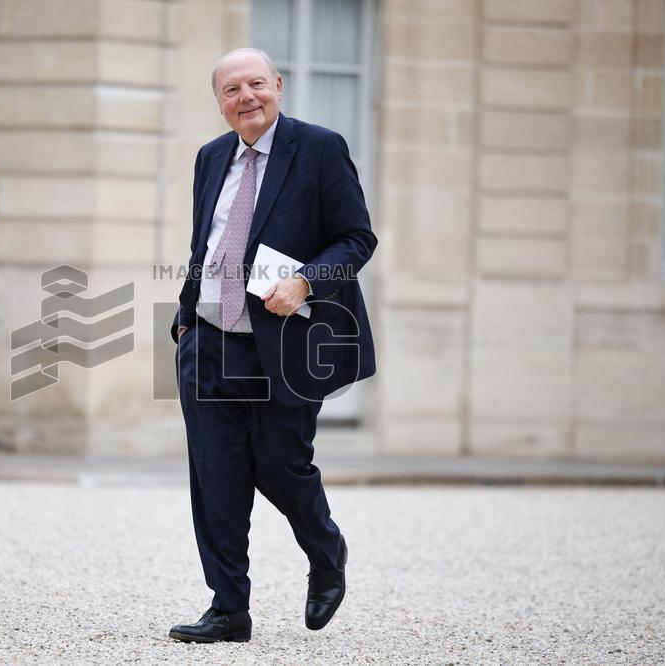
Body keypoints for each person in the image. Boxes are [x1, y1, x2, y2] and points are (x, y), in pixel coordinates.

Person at [168, 47, 377, 643]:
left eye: (256, 84)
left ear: (278, 86)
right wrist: (184, 321)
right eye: (232, 90)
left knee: (282, 465)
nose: (247, 97)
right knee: (215, 475)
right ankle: (228, 607)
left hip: (284, 344)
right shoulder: (211, 156)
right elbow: (206, 245)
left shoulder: (319, 148)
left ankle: (326, 552)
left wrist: (306, 280)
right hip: (209, 342)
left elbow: (357, 238)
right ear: (219, 102)